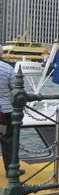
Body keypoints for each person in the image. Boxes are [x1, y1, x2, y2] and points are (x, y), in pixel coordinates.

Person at [0, 46, 22, 178]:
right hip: (5, 111)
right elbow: (16, 90)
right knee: (8, 140)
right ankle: (11, 169)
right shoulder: (7, 68)